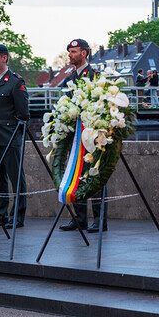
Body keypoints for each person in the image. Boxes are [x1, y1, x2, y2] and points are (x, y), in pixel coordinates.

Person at [58, 39, 108, 233]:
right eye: (69, 51)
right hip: (76, 136)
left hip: (93, 135)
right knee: (76, 174)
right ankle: (79, 219)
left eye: (74, 51)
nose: (70, 54)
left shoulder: (96, 76)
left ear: (84, 53)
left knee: (94, 175)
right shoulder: (69, 78)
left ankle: (100, 219)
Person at [0, 44, 30, 229]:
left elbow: (23, 114)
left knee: (16, 178)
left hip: (9, 137)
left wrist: (15, 135)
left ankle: (17, 215)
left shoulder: (15, 81)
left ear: (5, 58)